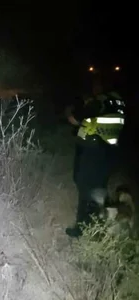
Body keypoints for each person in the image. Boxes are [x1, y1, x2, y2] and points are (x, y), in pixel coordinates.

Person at [65, 76, 126, 238]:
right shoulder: (118, 102)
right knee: (99, 189)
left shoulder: (97, 102)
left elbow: (75, 120)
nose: (94, 89)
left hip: (93, 152)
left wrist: (70, 112)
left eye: (96, 86)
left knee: (86, 190)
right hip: (110, 152)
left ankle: (82, 229)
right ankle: (101, 229)